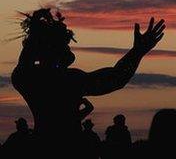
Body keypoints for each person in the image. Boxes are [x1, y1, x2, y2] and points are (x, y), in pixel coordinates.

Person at [11, 8, 165, 157]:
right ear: (55, 49)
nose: (69, 49)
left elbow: (23, 65)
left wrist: (36, 33)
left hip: (43, 148)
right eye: (66, 44)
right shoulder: (70, 80)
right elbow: (116, 78)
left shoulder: (30, 80)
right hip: (73, 149)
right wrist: (137, 52)